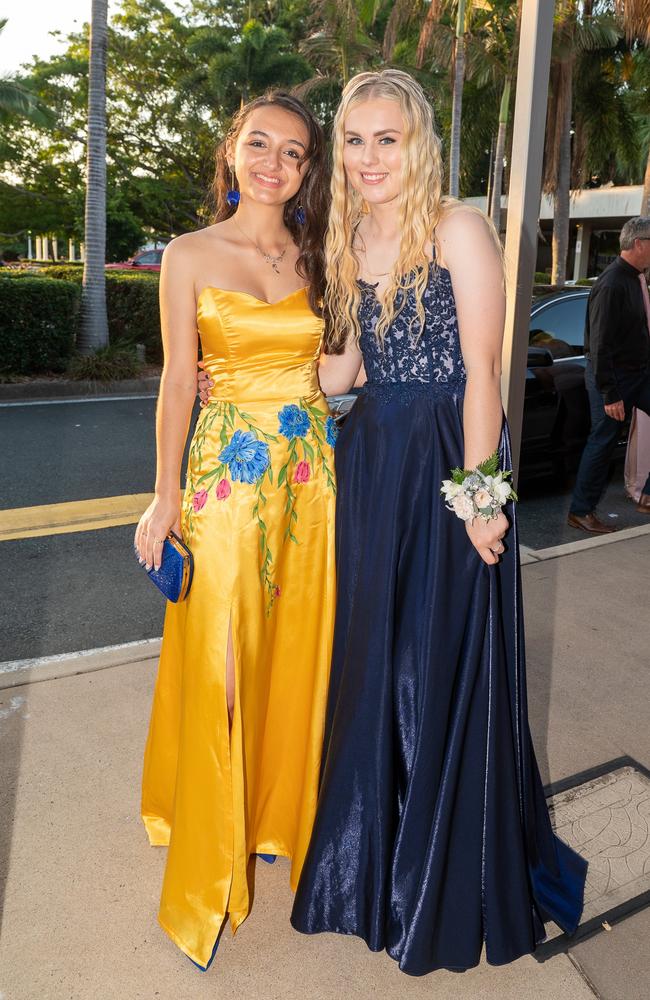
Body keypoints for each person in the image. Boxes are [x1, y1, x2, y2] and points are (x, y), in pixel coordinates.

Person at [288, 69, 587, 975]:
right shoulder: (343, 240)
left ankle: (443, 869)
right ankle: (368, 865)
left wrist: (483, 497)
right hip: (371, 467)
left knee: (440, 656)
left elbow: (485, 376)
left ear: (417, 143)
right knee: (373, 659)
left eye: (387, 139)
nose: (369, 157)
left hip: (443, 468)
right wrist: (255, 379)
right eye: (354, 139)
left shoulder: (457, 227)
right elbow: (340, 376)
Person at [134, 92, 338, 970]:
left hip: (310, 488)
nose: (274, 163)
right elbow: (181, 382)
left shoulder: (323, 256)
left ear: (305, 173)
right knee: (222, 659)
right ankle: (205, 880)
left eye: (293, 153)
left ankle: (267, 822)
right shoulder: (188, 254)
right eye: (260, 144)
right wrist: (162, 496)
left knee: (292, 659)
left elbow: (338, 370)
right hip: (223, 487)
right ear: (232, 151)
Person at [568, 217, 650, 531]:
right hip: (613, 379)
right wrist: (610, 393)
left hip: (638, 376)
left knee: (603, 441)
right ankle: (580, 511)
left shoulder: (635, 278)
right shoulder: (612, 283)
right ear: (640, 244)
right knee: (602, 442)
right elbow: (599, 345)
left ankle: (647, 494)